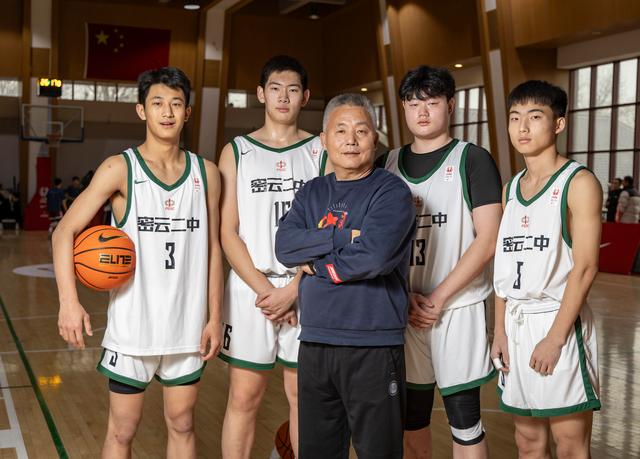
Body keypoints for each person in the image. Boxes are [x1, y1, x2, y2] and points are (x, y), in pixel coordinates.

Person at [53, 67, 223, 458]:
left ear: (188, 112)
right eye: (158, 103)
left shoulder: (207, 174)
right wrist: (68, 302)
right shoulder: (120, 169)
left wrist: (215, 317)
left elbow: (213, 250)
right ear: (141, 110)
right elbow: (64, 232)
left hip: (186, 326)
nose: (167, 112)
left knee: (183, 424)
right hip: (133, 327)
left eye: (176, 104)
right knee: (122, 431)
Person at [275, 93, 416, 458]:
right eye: (340, 130)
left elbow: (374, 256)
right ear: (324, 140)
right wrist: (343, 237)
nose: (350, 140)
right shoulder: (312, 192)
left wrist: (316, 264)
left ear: (374, 139)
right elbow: (286, 246)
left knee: (379, 452)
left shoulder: (391, 192)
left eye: (361, 131)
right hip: (316, 342)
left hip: (372, 344)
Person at [378, 66, 502, 459]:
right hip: (405, 310)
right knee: (411, 419)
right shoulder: (386, 163)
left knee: (465, 421)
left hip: (456, 309)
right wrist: (406, 296)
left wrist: (438, 297)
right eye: (413, 103)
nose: (422, 112)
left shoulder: (472, 159)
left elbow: (488, 239)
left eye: (432, 103)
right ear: (403, 107)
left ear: (450, 105)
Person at [217, 55, 328, 458]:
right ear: (261, 94)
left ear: (306, 97)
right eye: (276, 89)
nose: (283, 97)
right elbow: (228, 232)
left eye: (293, 90)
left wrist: (294, 289)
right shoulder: (237, 151)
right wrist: (268, 292)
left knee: (303, 397)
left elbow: (330, 227)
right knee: (243, 397)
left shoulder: (321, 150)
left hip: (307, 287)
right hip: (252, 290)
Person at [492, 80, 601, 458]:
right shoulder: (510, 189)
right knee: (527, 443)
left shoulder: (579, 182)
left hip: (558, 322)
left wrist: (555, 338)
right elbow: (504, 268)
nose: (522, 127)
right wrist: (499, 331)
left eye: (534, 117)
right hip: (516, 325)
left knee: (570, 445)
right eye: (514, 117)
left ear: (558, 124)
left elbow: (585, 267)